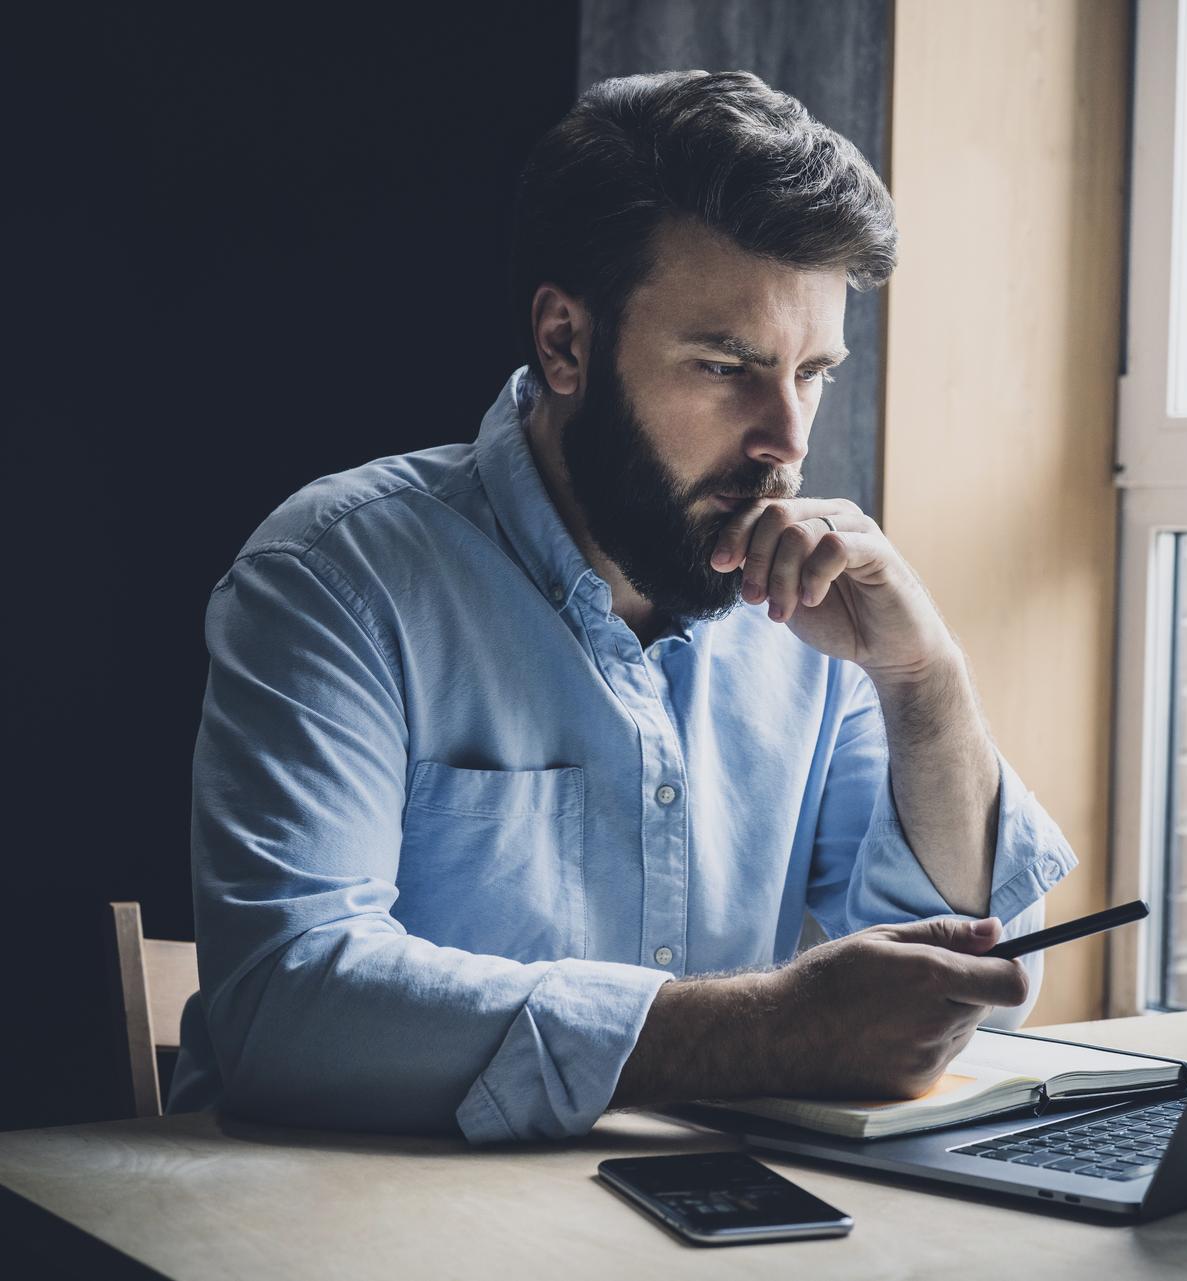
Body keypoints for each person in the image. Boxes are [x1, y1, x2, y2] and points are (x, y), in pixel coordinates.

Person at [168, 71, 1078, 1142]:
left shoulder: (813, 605)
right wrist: (764, 1032)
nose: (786, 439)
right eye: (726, 364)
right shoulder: (336, 577)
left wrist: (925, 683)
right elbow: (290, 1007)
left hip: (697, 1230)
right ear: (564, 343)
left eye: (812, 372)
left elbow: (951, 985)